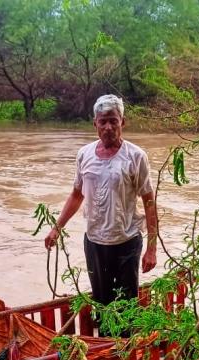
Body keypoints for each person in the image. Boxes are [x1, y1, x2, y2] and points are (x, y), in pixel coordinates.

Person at [44, 94, 157, 327]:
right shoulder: (84, 155)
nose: (108, 127)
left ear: (123, 122)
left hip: (126, 241)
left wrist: (152, 249)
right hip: (95, 242)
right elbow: (77, 194)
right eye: (103, 121)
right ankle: (107, 351)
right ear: (94, 123)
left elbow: (149, 202)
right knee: (102, 304)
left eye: (113, 121)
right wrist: (56, 228)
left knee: (126, 308)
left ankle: (124, 354)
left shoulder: (136, 156)